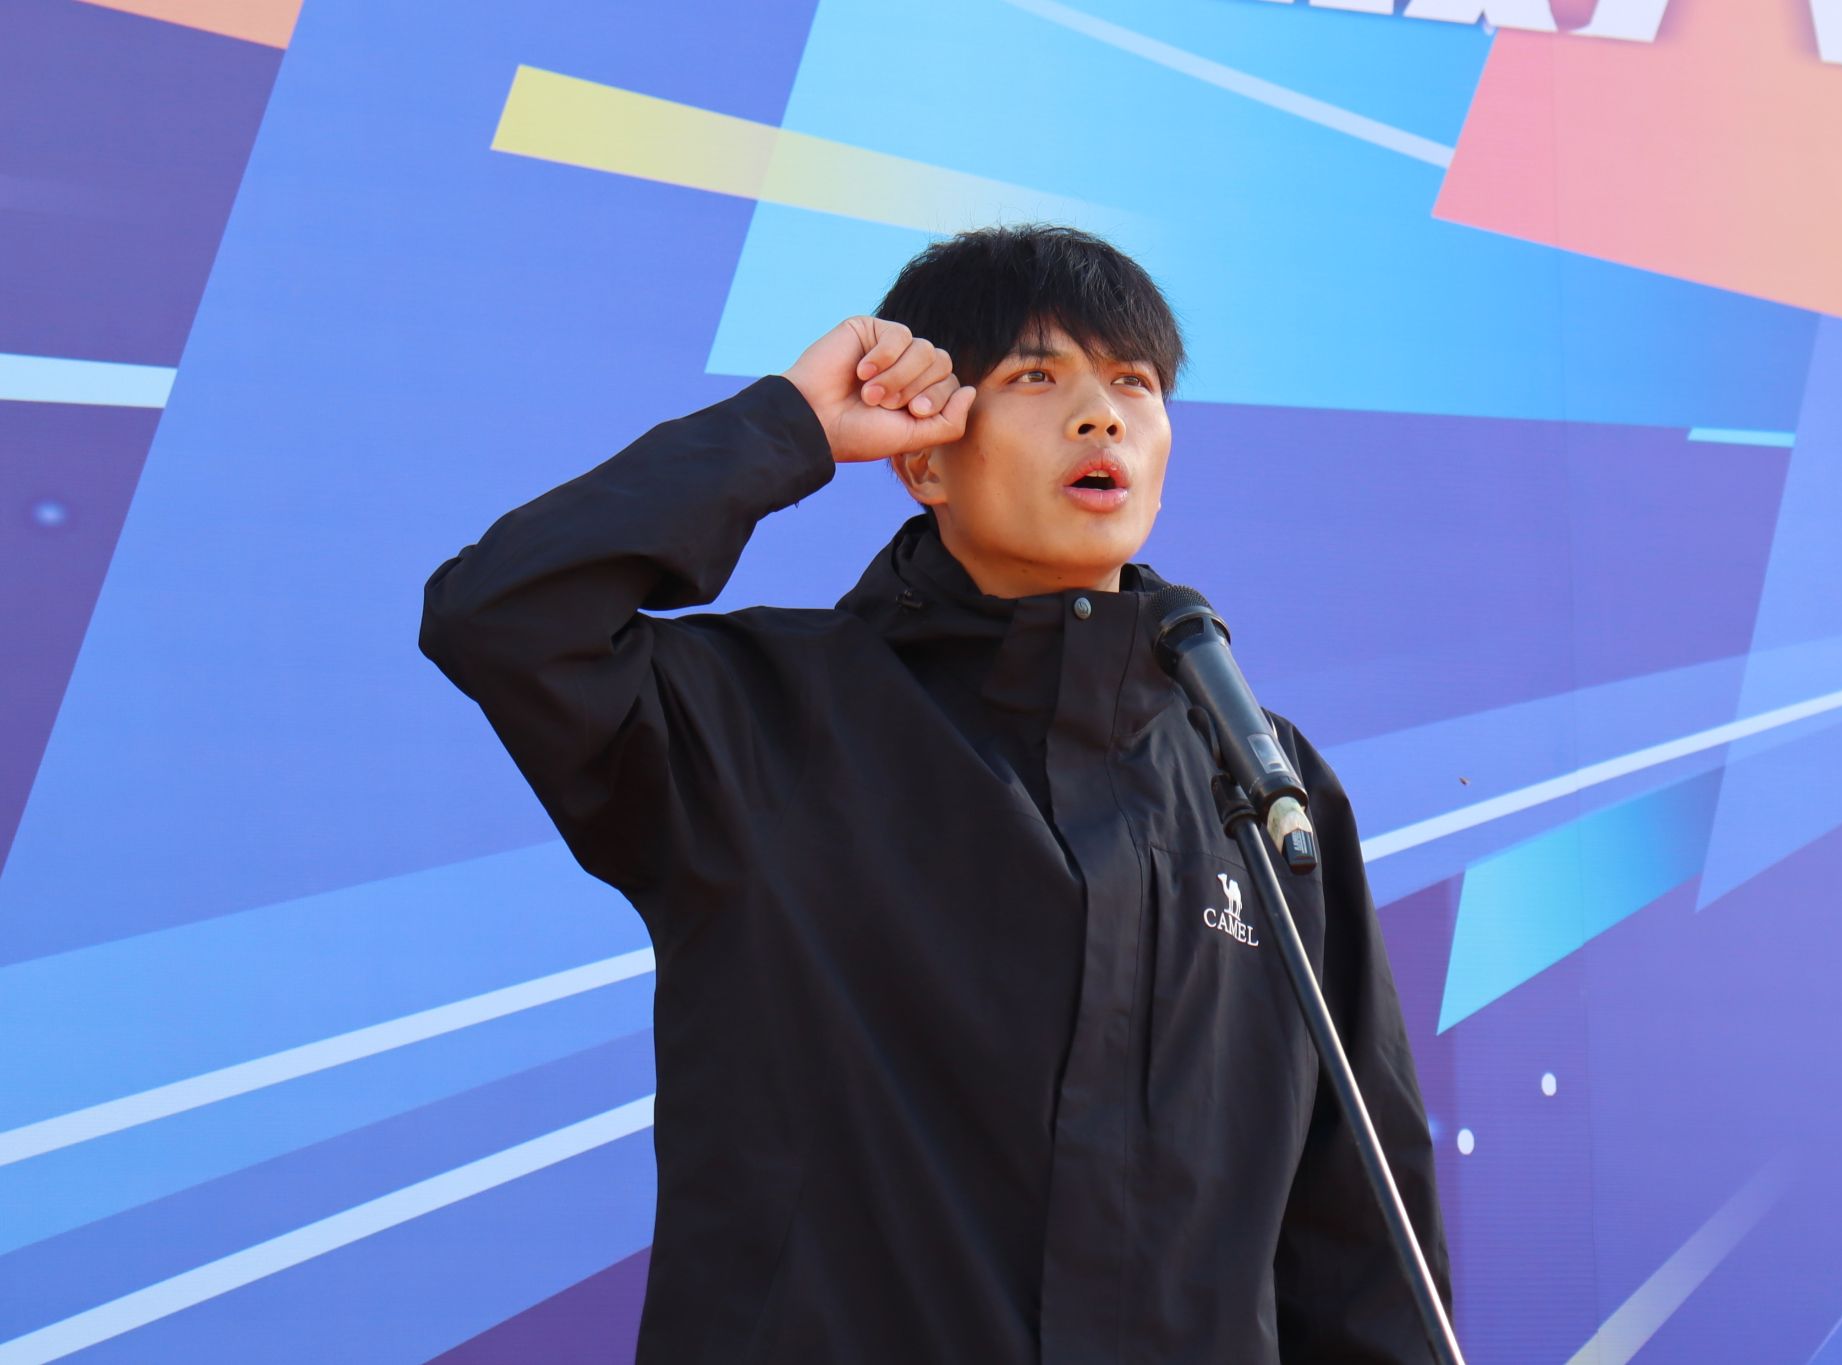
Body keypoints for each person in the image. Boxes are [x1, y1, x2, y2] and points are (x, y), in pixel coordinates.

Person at [419, 224, 1450, 1363]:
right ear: (924, 458)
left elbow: (1359, 1245)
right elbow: (502, 617)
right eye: (1036, 378)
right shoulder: (759, 717)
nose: (1100, 416)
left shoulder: (1257, 777)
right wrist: (788, 427)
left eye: (1133, 383)